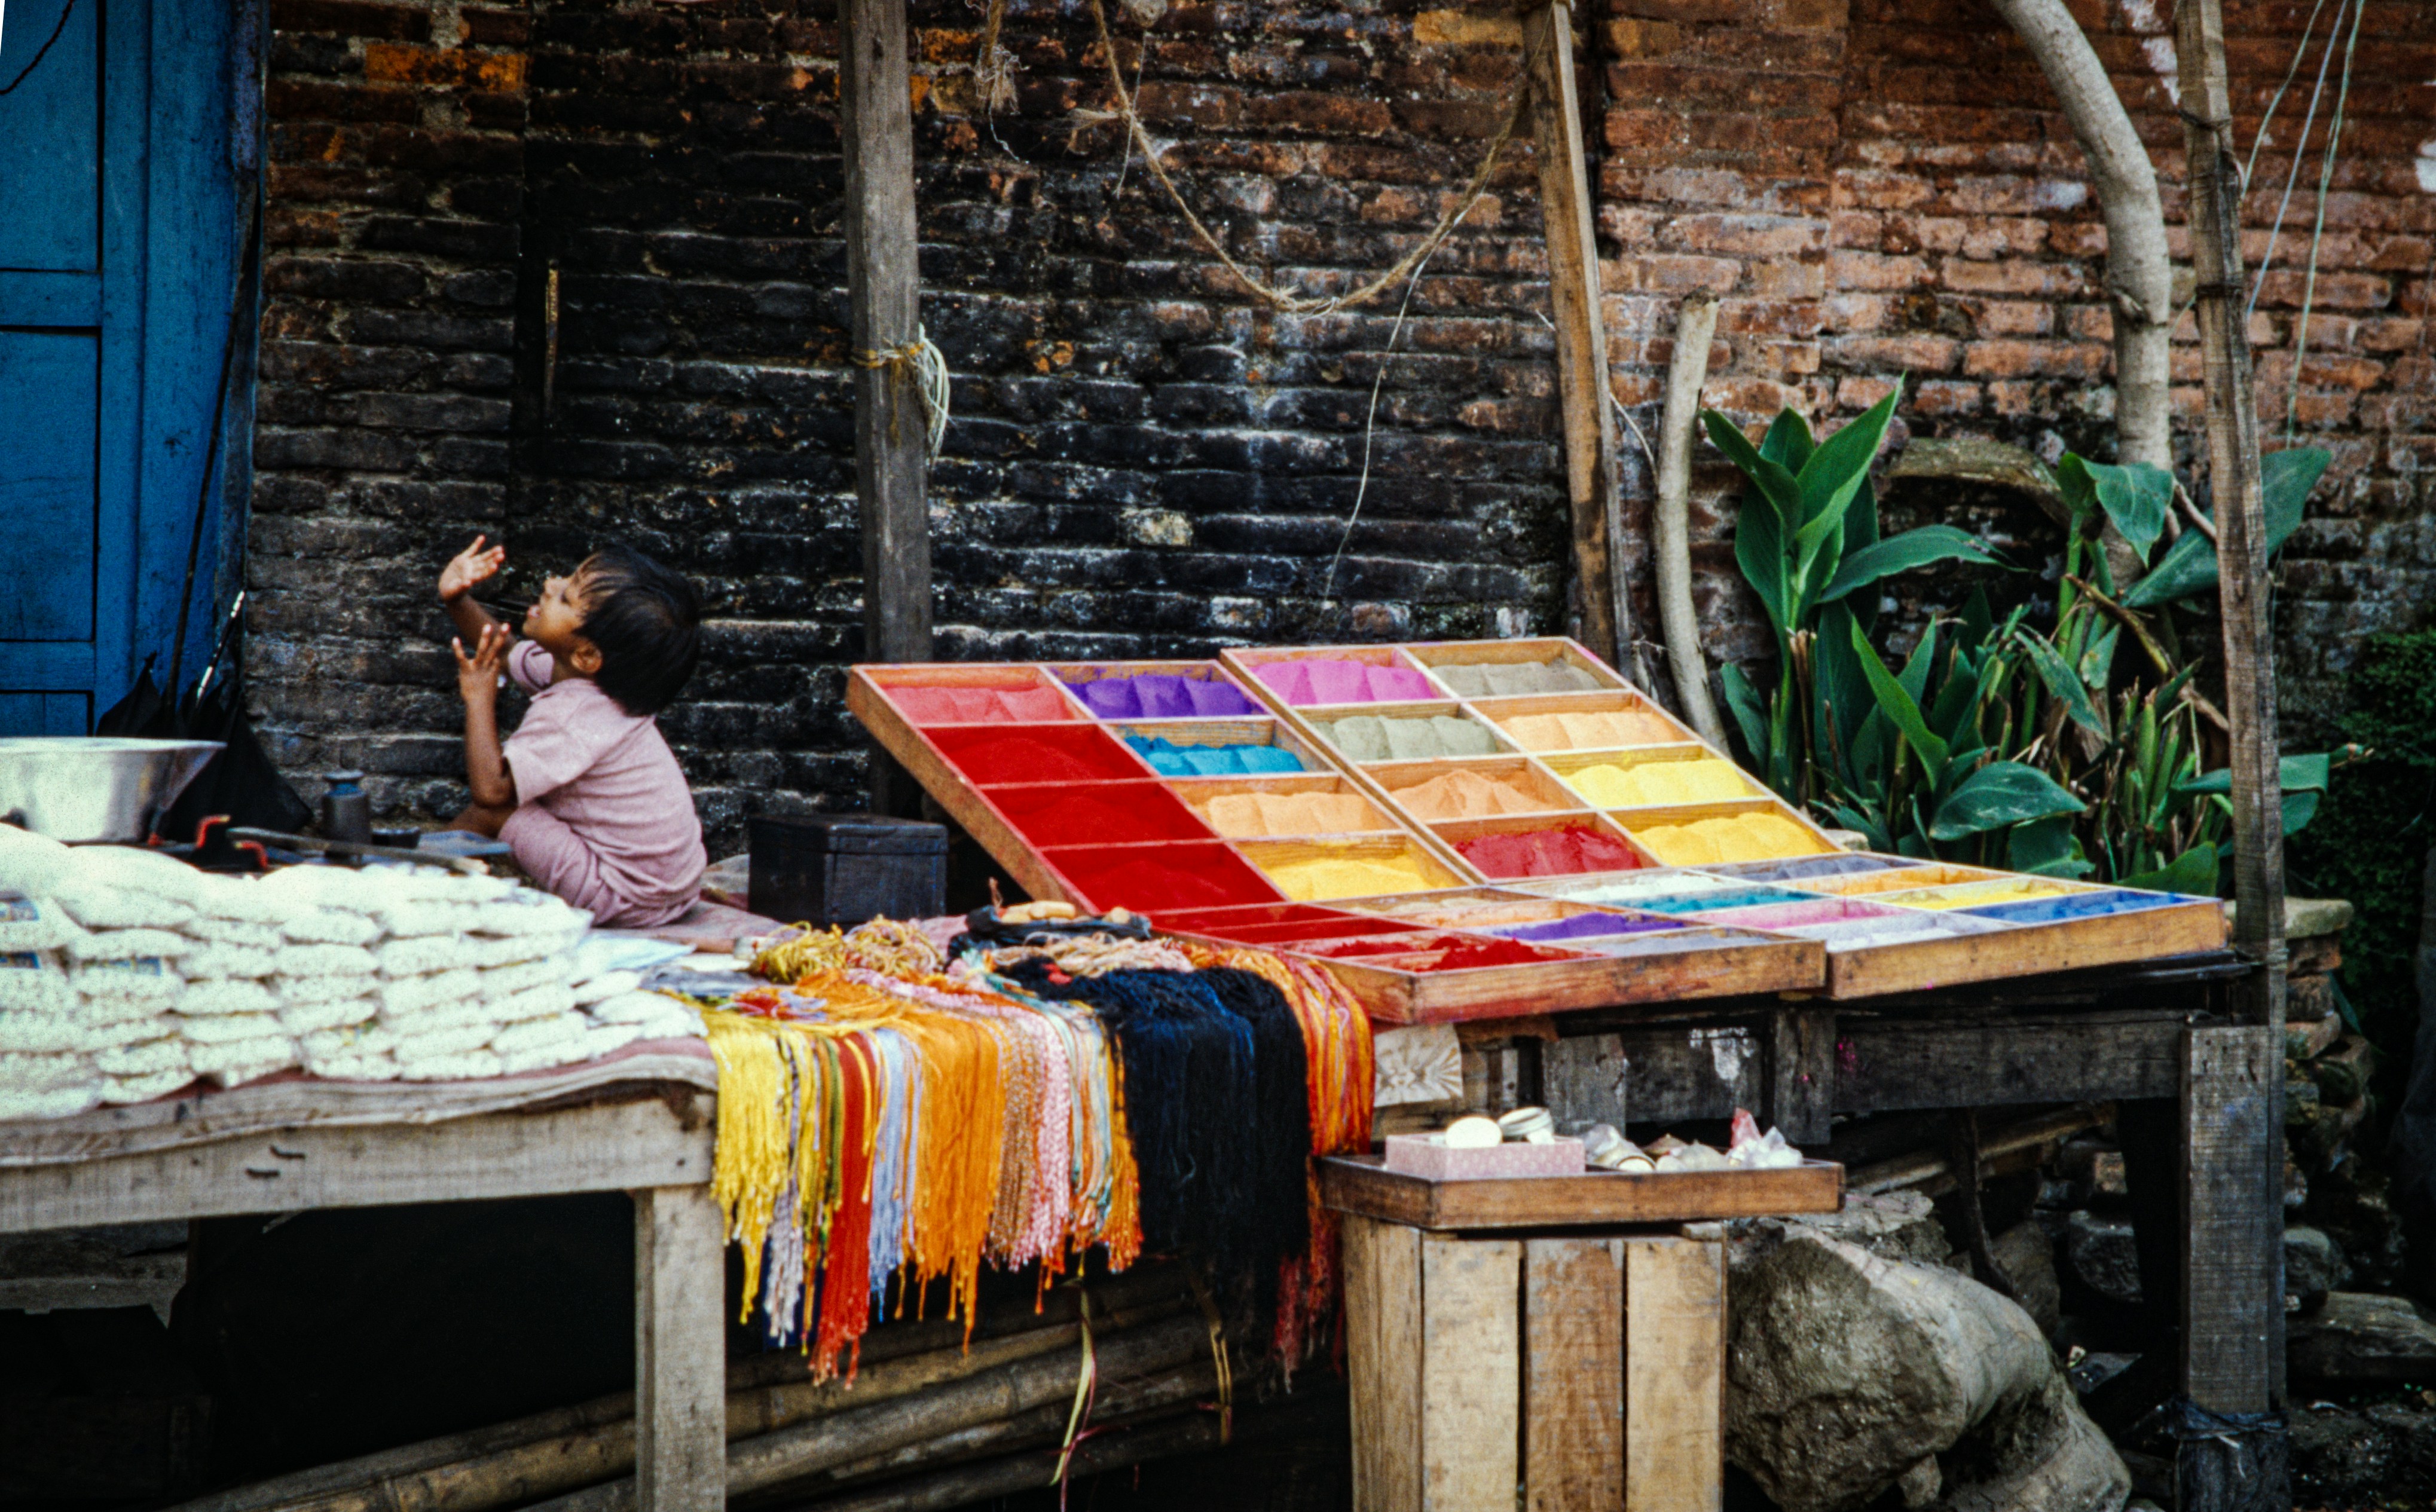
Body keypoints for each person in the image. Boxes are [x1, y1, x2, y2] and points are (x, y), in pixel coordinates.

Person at [437, 534, 707, 927]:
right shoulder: (594, 682)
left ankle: (414, 884)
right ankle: (431, 877)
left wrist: (479, 699)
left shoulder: (575, 714)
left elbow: (491, 791)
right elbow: (507, 652)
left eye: (566, 597)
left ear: (586, 655)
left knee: (494, 811)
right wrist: (457, 599)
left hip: (624, 896)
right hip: (673, 891)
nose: (551, 584)